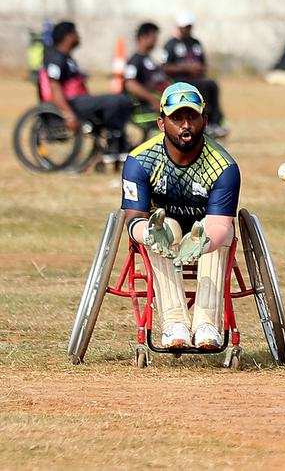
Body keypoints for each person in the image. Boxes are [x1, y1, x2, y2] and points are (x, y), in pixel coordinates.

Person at [121, 82, 241, 349]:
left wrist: (203, 242)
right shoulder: (140, 161)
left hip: (207, 227)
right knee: (165, 231)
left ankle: (206, 323)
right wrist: (150, 233)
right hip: (164, 224)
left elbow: (221, 223)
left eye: (191, 117)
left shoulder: (224, 167)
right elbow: (133, 218)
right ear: (162, 123)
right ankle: (174, 321)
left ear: (204, 121)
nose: (185, 125)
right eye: (176, 118)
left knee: (218, 236)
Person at [40, 21, 133, 156]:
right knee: (114, 101)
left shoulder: (67, 58)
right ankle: (113, 145)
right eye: (75, 33)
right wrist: (68, 114)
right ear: (67, 36)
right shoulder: (56, 58)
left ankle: (117, 140)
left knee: (122, 100)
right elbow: (54, 88)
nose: (79, 36)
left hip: (80, 100)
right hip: (70, 103)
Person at [162, 12, 228, 138]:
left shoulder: (196, 43)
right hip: (179, 81)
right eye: (184, 27)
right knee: (201, 86)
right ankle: (202, 121)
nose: (186, 30)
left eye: (189, 26)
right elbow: (165, 67)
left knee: (212, 84)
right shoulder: (171, 44)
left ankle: (215, 121)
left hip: (198, 79)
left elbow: (203, 63)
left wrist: (199, 68)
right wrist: (186, 68)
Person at [123, 22, 170, 111]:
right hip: (148, 109)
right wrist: (153, 100)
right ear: (143, 37)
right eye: (154, 36)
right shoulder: (135, 61)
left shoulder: (150, 58)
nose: (156, 40)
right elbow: (130, 84)